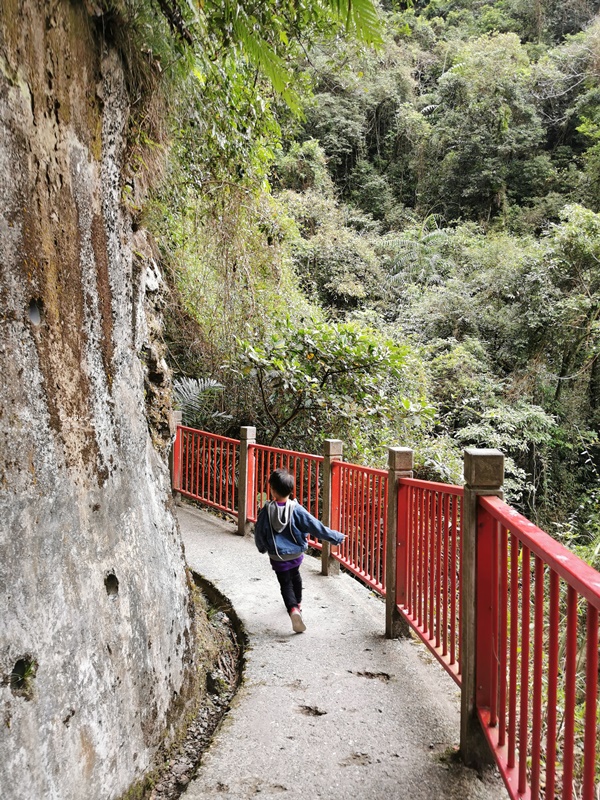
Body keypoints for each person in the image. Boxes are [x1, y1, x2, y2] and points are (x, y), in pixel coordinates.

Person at [254, 467, 345, 633]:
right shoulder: (297, 509)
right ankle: (298, 605)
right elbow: (315, 526)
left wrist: (262, 548)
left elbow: (260, 532)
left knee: (285, 583)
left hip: (277, 556)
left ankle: (293, 609)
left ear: (272, 489)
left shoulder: (266, 511)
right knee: (295, 576)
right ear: (291, 490)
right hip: (295, 555)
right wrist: (335, 537)